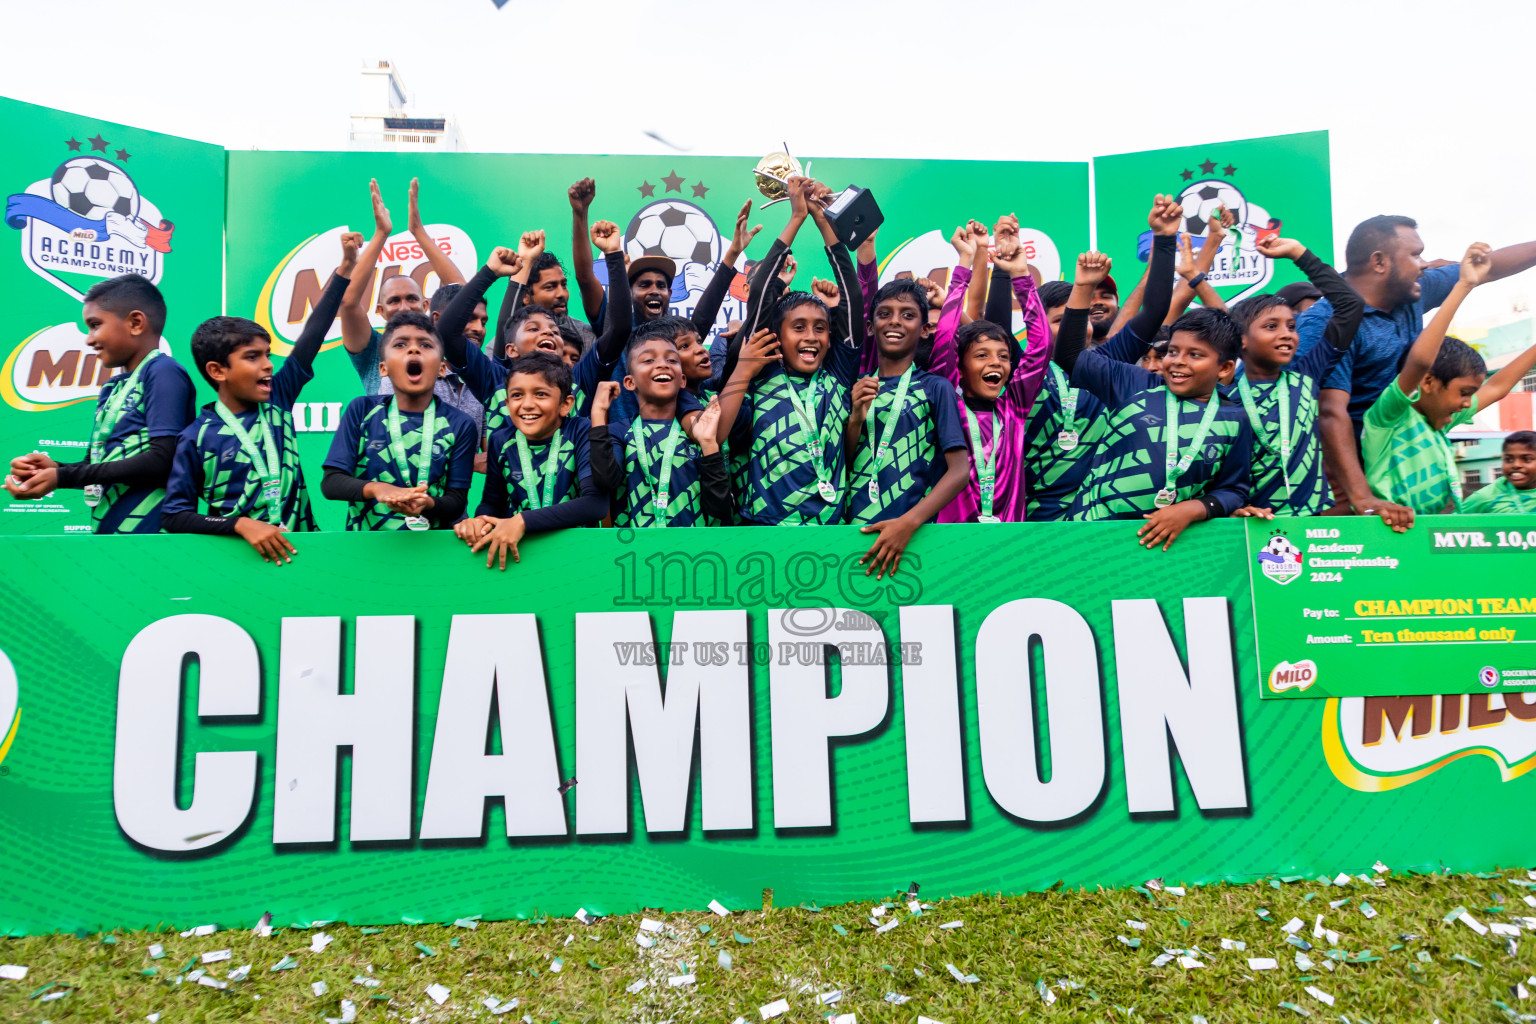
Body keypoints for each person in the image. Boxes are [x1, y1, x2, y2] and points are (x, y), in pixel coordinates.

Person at [1297, 214, 1536, 519]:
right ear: (1379, 262)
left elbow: (1486, 268)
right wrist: (1361, 496)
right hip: (1341, 474)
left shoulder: (1411, 291)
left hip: (1397, 454)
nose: (1425, 263)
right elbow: (1328, 412)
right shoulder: (1327, 322)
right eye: (1415, 254)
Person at [161, 237, 356, 560]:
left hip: (307, 556)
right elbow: (174, 514)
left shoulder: (276, 399)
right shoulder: (195, 437)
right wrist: (239, 524)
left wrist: (346, 267)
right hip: (240, 568)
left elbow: (313, 335)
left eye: (267, 354)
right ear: (217, 370)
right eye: (252, 357)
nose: (267, 364)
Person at [1017, 197, 1184, 521]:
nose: (1077, 327)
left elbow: (1154, 313)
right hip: (1037, 520)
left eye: (1081, 316)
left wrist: (1164, 239)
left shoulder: (1106, 363)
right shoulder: (1020, 372)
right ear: (1036, 326)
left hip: (1105, 518)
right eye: (1060, 321)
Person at [715, 177, 863, 526]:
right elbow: (761, 296)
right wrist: (796, 218)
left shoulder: (838, 374)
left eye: (820, 328)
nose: (811, 337)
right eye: (798, 327)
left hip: (831, 538)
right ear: (777, 335)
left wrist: (822, 221)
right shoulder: (763, 369)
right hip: (763, 534)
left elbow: (853, 298)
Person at [5, 275, 194, 533]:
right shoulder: (112, 387)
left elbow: (162, 459)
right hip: (108, 537)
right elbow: (98, 465)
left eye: (95, 325)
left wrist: (63, 477)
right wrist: (55, 469)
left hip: (153, 538)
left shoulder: (163, 371)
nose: (88, 338)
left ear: (136, 323)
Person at [1361, 242, 1536, 519]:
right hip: (1391, 537)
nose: (1467, 404)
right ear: (1427, 383)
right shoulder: (1390, 417)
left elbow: (1498, 387)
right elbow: (1420, 361)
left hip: (1428, 535)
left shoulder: (1441, 419)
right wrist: (1464, 285)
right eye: (1464, 392)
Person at [1069, 304, 1254, 549]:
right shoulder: (1135, 383)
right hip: (1090, 536)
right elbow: (1069, 355)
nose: (1178, 362)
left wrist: (1193, 509)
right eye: (1173, 351)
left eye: (1195, 355)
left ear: (1224, 368)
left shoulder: (1234, 418)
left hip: (1169, 548)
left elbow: (1233, 489)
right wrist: (1083, 285)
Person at [1220, 233, 1365, 519]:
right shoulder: (1224, 397)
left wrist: (1300, 254)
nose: (1286, 334)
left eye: (1291, 326)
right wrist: (1231, 511)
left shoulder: (1305, 376)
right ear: (1242, 340)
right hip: (1249, 525)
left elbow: (1351, 306)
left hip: (1310, 523)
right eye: (1271, 326)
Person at [435, 238, 632, 436]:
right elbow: (447, 332)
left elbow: (619, 330)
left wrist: (614, 255)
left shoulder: (578, 380)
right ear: (511, 349)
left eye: (555, 331)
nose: (548, 332)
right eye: (533, 329)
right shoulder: (494, 380)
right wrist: (489, 272)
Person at [844, 276, 969, 575]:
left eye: (908, 315)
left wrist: (909, 523)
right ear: (871, 327)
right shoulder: (857, 387)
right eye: (884, 314)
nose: (895, 322)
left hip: (914, 538)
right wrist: (856, 419)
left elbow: (960, 471)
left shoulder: (936, 388)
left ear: (925, 329)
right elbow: (841, 466)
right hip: (850, 535)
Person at [926, 228, 1051, 524]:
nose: (996, 363)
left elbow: (1042, 346)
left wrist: (1021, 275)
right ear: (960, 366)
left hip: (1006, 543)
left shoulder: (1015, 406)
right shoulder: (947, 403)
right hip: (951, 541)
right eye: (981, 356)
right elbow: (945, 338)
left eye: (1004, 356)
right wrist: (964, 263)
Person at [320, 311, 477, 531]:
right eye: (400, 345)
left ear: (442, 368)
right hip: (365, 552)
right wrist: (378, 489)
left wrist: (427, 503)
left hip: (434, 553)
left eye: (426, 345)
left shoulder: (460, 423)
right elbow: (331, 483)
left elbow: (456, 502)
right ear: (383, 368)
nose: (413, 349)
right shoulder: (362, 410)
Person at [453, 352, 608, 568]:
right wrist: (481, 520)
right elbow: (492, 503)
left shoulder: (580, 431)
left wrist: (522, 521)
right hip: (521, 557)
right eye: (517, 395)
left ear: (566, 404)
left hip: (578, 559)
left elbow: (596, 504)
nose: (527, 404)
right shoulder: (501, 441)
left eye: (540, 394)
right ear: (507, 403)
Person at [339, 179, 467, 395]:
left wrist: (418, 232)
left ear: (425, 304)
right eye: (394, 301)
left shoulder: (440, 340)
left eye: (411, 298)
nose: (404, 307)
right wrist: (381, 233)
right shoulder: (372, 352)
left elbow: (461, 295)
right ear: (380, 310)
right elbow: (348, 303)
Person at [588, 342, 732, 528]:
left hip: (692, 553)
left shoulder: (698, 431)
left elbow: (719, 509)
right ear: (630, 382)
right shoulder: (620, 432)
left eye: (672, 359)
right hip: (635, 553)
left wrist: (708, 444)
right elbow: (605, 482)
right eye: (648, 360)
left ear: (682, 380)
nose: (663, 364)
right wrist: (598, 413)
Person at [1462, 431, 1536, 513]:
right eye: (1508, 459)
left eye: (1527, 459)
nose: (1516, 465)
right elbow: (1453, 523)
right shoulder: (1485, 497)